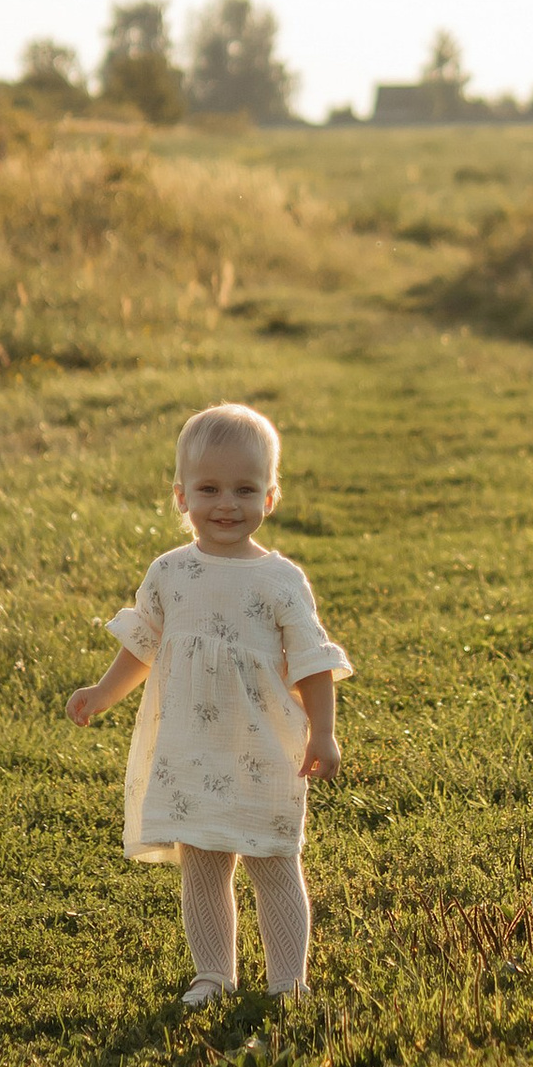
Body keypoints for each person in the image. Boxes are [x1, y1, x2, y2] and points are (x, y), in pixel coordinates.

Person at [67, 401, 349, 1005]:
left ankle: (288, 982)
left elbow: (313, 662)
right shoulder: (170, 573)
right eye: (210, 488)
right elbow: (144, 645)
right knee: (203, 862)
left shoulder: (280, 581)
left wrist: (323, 733)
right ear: (181, 497)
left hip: (264, 746)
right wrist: (103, 692)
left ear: (270, 499)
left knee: (272, 858)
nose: (227, 504)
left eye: (245, 489)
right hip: (190, 748)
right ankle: (215, 973)